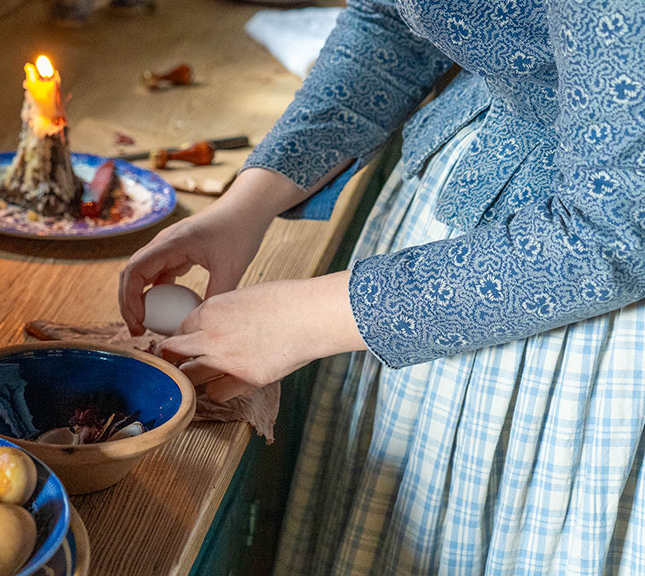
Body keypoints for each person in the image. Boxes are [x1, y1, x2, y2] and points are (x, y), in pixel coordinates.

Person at [118, 0, 645, 573]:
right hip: (454, 246)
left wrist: (306, 318)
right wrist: (248, 204)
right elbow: (390, 22)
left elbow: (614, 231)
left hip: (563, 298)